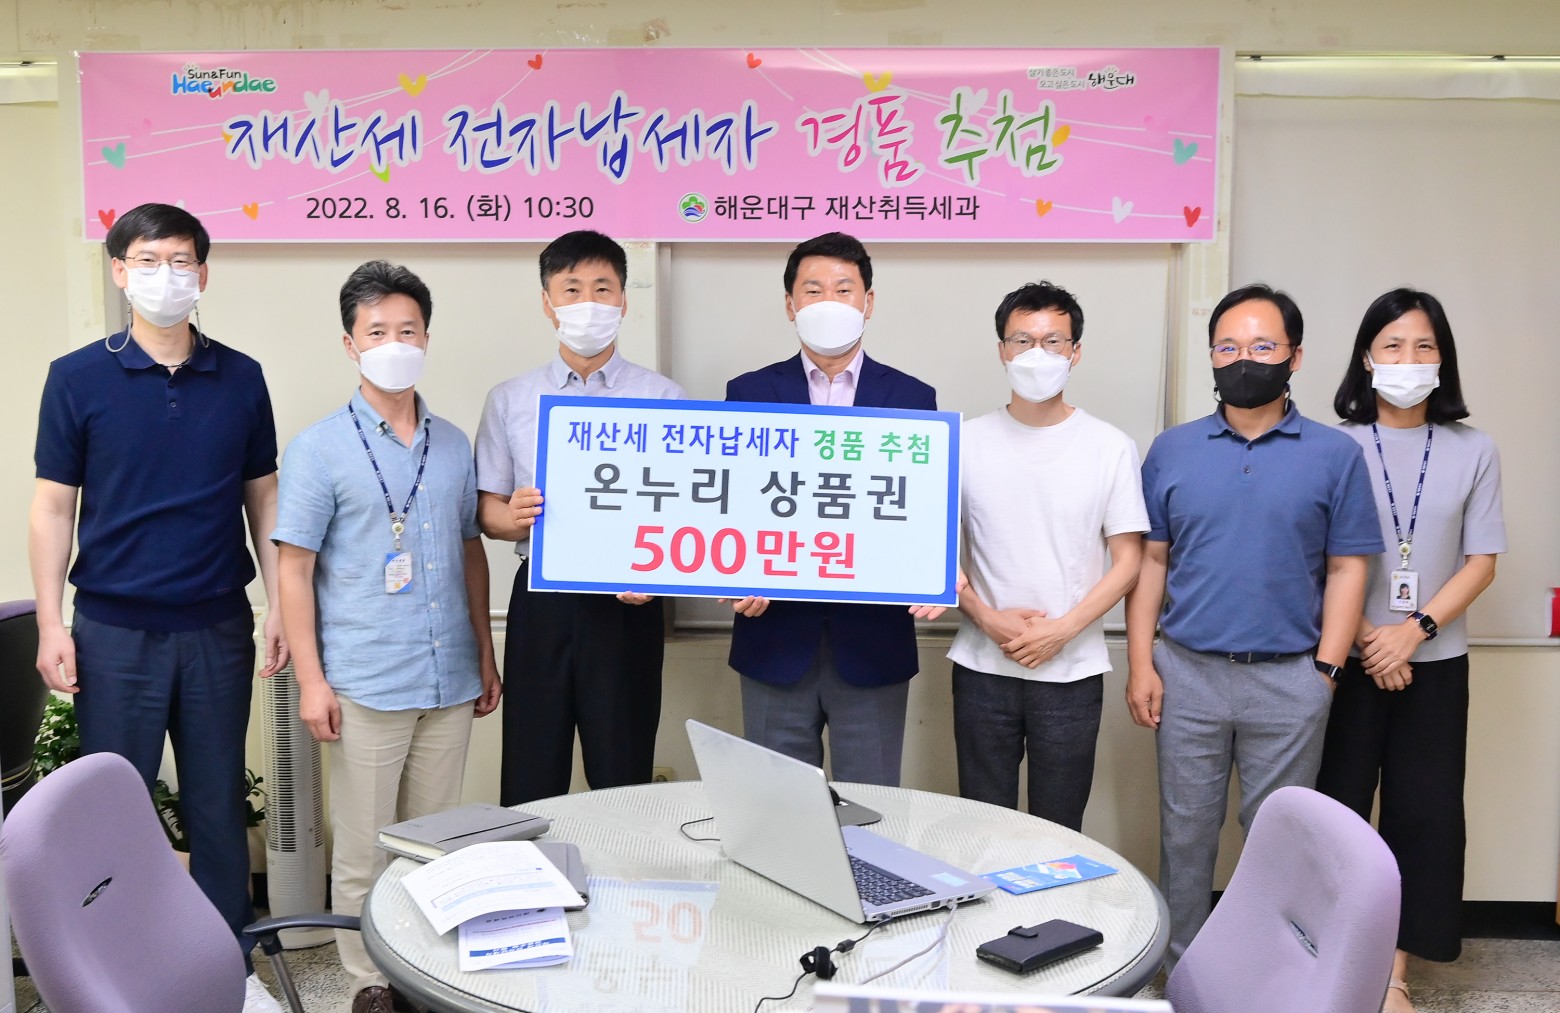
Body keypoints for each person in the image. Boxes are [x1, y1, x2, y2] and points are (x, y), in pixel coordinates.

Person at [29, 202, 287, 1011]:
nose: (165, 275)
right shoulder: (76, 377)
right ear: (119, 270)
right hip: (114, 632)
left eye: (180, 260)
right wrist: (51, 621)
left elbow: (264, 496)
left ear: (203, 272)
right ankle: (118, 972)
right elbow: (52, 507)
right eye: (147, 260)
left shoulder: (240, 376)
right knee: (114, 813)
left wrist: (280, 603)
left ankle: (229, 971)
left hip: (217, 625)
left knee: (217, 806)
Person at [1124, 283, 1383, 969]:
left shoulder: (1334, 455)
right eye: (1228, 347)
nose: (1244, 359)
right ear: (1211, 356)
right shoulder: (1172, 449)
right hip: (1186, 673)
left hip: (1290, 678)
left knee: (1281, 843)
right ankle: (1182, 970)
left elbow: (1348, 567)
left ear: (1295, 356)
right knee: (1185, 835)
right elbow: (1152, 561)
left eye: (1263, 346)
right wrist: (1142, 662)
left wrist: (1326, 671)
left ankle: (1266, 973)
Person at [273, 261, 501, 1013]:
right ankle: (369, 981)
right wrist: (311, 681)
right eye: (378, 332)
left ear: (427, 338)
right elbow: (294, 569)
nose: (394, 344)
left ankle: (423, 976)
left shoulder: (453, 443)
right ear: (351, 344)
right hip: (367, 678)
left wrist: (485, 652)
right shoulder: (318, 448)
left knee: (435, 842)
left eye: (408, 330)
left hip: (450, 675)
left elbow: (471, 550)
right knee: (367, 844)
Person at [1316, 289, 1504, 1013]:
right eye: (1392, 345)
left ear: (1442, 359)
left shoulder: (1473, 448)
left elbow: (1481, 561)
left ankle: (1394, 974)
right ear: (1367, 358)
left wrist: (1411, 630)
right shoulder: (1331, 445)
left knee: (1422, 818)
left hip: (1435, 662)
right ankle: (1329, 961)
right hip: (1346, 659)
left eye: (1423, 345)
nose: (1408, 358)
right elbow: (1312, 554)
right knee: (1335, 811)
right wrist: (1370, 636)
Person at [475, 230, 685, 806]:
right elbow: (488, 511)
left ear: (624, 301)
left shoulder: (664, 399)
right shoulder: (510, 398)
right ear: (548, 302)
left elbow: (682, 515)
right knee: (531, 767)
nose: (587, 302)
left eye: (602, 288)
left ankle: (618, 866)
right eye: (571, 289)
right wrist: (514, 516)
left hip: (628, 603)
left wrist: (656, 573)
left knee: (623, 773)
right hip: (542, 597)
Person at [723, 232, 938, 787]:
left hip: (874, 644)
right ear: (790, 304)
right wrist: (732, 571)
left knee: (873, 814)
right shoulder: (748, 393)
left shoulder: (913, 399)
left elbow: (920, 510)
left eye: (844, 289)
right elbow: (731, 506)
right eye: (813, 289)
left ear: (868, 302)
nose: (828, 302)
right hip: (772, 638)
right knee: (776, 811)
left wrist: (934, 569)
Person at [949, 282, 1147, 831]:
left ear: (1075, 351)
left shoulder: (1110, 446)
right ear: (1002, 350)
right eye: (1022, 340)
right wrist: (986, 617)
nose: (1037, 354)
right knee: (981, 825)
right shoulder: (964, 441)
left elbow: (1128, 561)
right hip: (982, 665)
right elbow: (931, 549)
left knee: (1059, 832)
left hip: (1073, 672)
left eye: (1053, 341)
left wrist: (1062, 630)